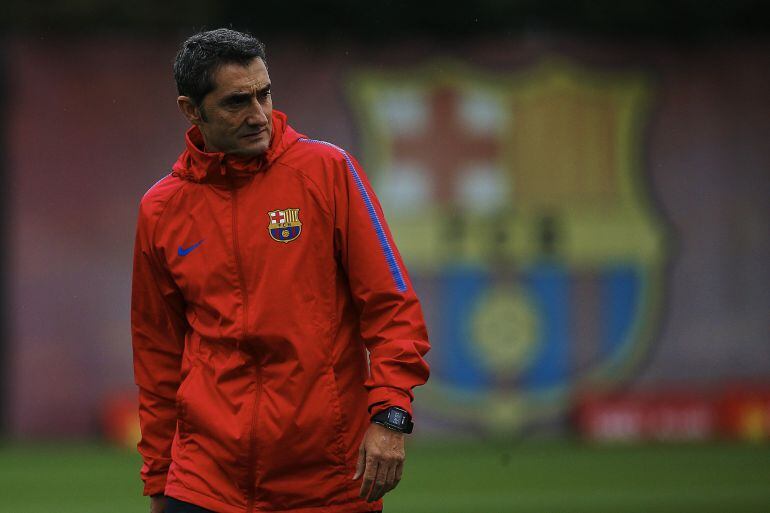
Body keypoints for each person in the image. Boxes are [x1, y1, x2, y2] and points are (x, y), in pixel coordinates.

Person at [131, 28, 431, 513]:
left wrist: (391, 415)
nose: (258, 115)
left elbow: (392, 307)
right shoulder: (161, 209)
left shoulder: (328, 171)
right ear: (191, 110)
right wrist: (160, 479)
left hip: (326, 479)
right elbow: (157, 356)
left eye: (264, 94)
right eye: (237, 102)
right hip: (204, 481)